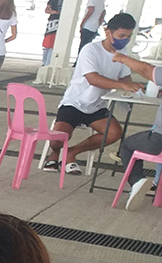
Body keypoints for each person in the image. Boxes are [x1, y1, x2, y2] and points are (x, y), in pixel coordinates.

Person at [42, 14, 138, 175]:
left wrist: (133, 87)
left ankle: (72, 152)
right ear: (108, 32)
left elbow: (125, 76)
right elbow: (92, 78)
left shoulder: (123, 53)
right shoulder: (91, 50)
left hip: (97, 106)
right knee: (57, 139)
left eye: (128, 36)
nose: (125, 40)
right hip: (74, 102)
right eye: (122, 36)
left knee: (114, 133)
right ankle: (55, 154)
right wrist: (122, 85)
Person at [112, 48, 162, 210]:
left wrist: (123, 58)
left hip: (159, 140)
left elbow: (147, 70)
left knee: (127, 145)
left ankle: (137, 181)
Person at [41, 0, 59, 66]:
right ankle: (45, 62)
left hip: (57, 22)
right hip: (53, 23)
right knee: (48, 44)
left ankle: (47, 63)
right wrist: (56, 12)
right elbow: (47, 10)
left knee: (53, 44)